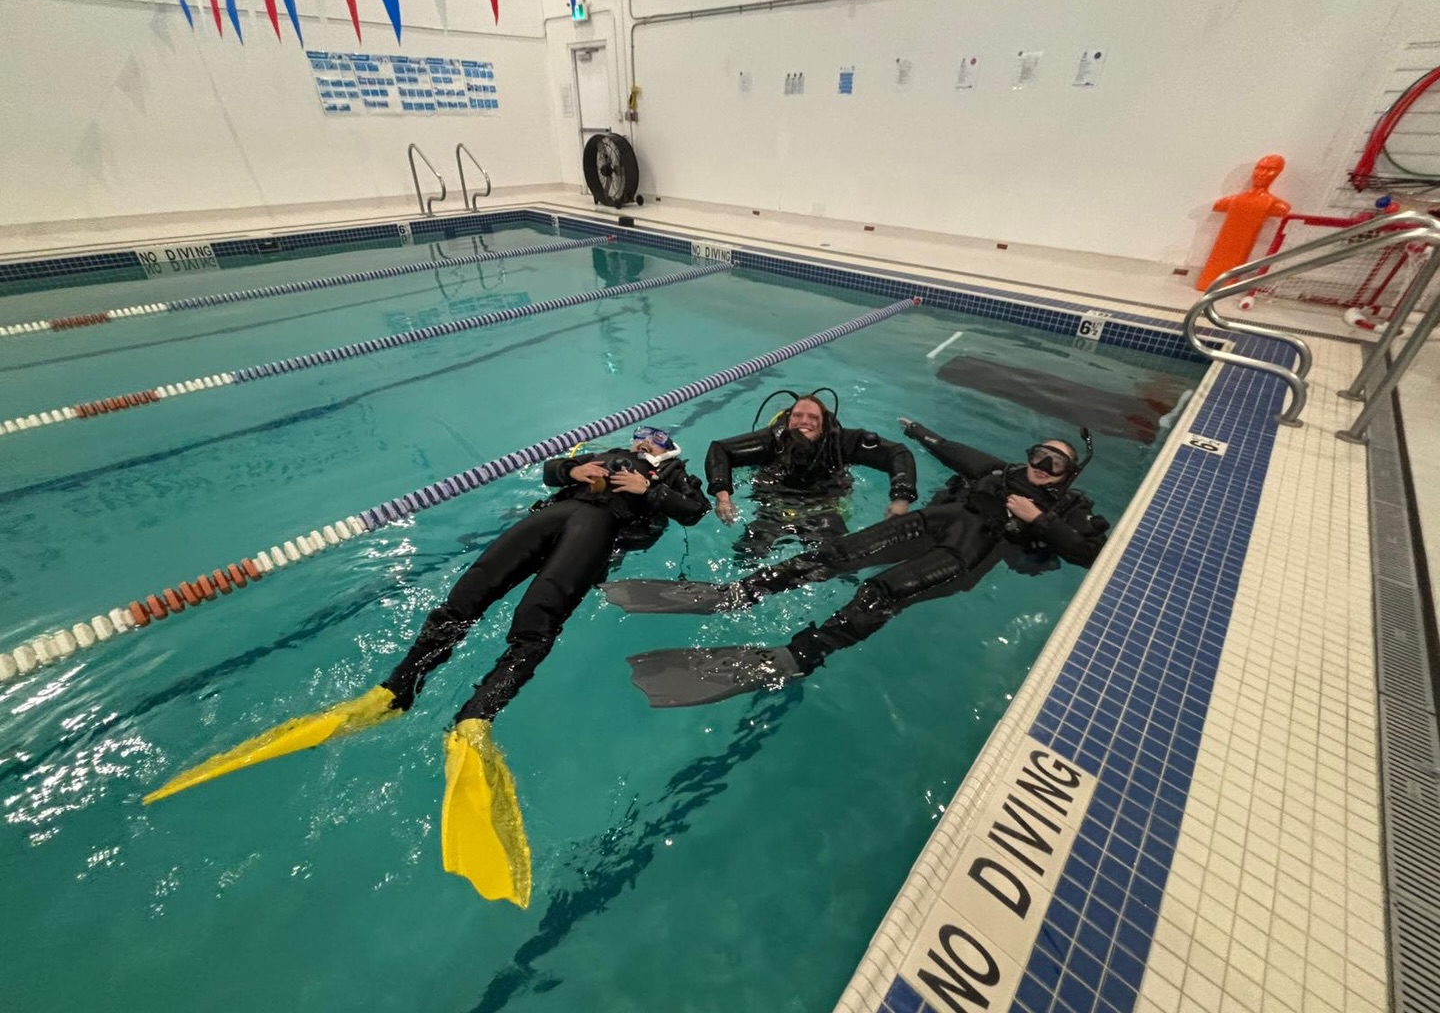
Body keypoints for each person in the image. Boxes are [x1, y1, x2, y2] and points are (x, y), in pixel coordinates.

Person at [144, 426, 709, 908]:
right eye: (639, 438)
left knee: (536, 619)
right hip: (557, 513)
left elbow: (694, 511)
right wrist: (572, 469)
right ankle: (395, 693)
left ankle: (475, 718)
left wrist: (650, 488)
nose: (641, 441)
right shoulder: (599, 453)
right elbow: (547, 471)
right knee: (466, 597)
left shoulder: (671, 477)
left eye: (653, 441)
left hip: (596, 532)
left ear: (668, 450)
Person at [602, 421, 1109, 708]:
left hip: (966, 552)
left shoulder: (1070, 510)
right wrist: (919, 433)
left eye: (1055, 464)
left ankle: (800, 655)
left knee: (881, 593)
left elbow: (1092, 554)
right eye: (1039, 454)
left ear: (1068, 475)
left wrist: (1039, 520)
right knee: (832, 554)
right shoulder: (999, 473)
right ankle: (742, 592)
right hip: (936, 521)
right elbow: (954, 451)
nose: (1041, 467)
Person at [706, 389, 917, 559]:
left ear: (824, 423)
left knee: (837, 559)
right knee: (748, 554)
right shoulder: (771, 441)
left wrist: (901, 499)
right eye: (798, 415)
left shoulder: (841, 442)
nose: (804, 421)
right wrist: (723, 496)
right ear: (789, 420)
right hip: (774, 505)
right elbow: (720, 449)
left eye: (812, 417)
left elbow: (896, 453)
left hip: (823, 509)